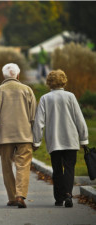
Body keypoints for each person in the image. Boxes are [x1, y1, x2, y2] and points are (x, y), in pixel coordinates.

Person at [33, 69, 89, 208]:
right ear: (64, 81)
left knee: (57, 169)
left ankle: (59, 198)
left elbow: (39, 122)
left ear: (49, 82)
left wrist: (37, 141)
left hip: (54, 140)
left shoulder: (45, 98)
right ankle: (68, 194)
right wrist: (84, 139)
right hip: (71, 139)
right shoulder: (71, 96)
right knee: (70, 168)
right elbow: (79, 119)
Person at [0, 63, 37, 208]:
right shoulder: (27, 90)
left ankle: (12, 197)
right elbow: (34, 115)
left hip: (5, 136)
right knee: (23, 165)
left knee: (6, 165)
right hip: (25, 135)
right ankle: (20, 195)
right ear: (18, 75)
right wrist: (36, 136)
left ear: (4, 76)